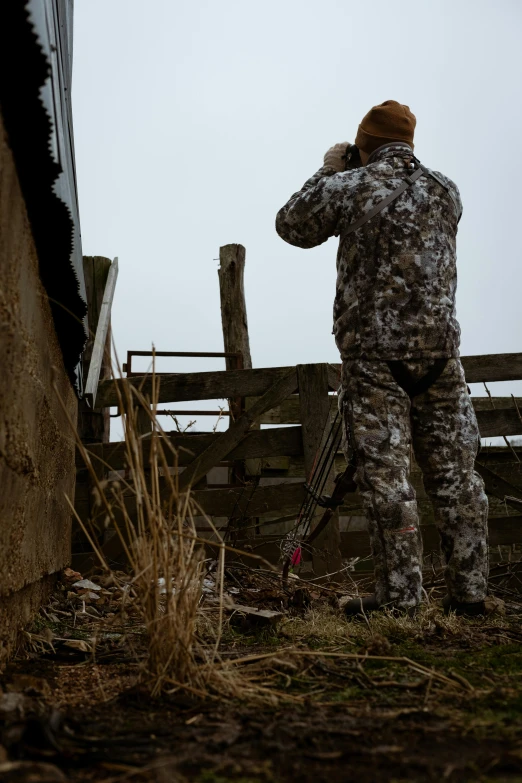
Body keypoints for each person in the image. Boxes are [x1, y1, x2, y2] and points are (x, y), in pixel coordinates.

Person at [275, 100, 489, 617]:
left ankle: (401, 599)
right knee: (458, 477)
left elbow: (291, 224)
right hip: (441, 355)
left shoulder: (351, 185)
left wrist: (329, 169)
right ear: (410, 143)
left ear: (362, 143)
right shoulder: (447, 191)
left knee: (388, 479)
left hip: (374, 358)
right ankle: (471, 594)